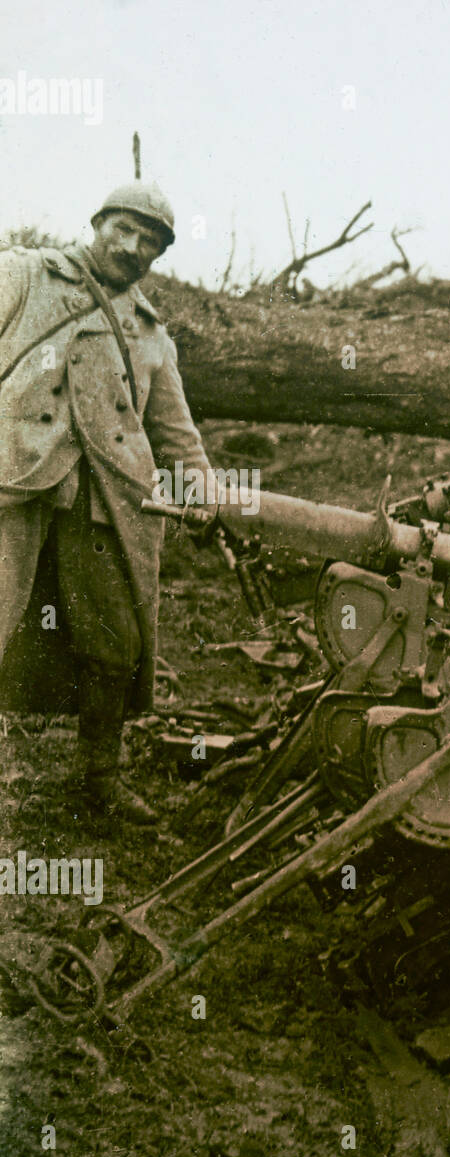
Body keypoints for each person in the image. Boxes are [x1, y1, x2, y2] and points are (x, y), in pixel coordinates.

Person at [0, 181, 213, 824]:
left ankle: (101, 782)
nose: (133, 246)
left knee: (114, 642)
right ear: (97, 223)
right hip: (15, 481)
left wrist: (200, 489)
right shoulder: (25, 274)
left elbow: (175, 429)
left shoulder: (149, 332)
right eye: (124, 228)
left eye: (150, 240)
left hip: (106, 500)